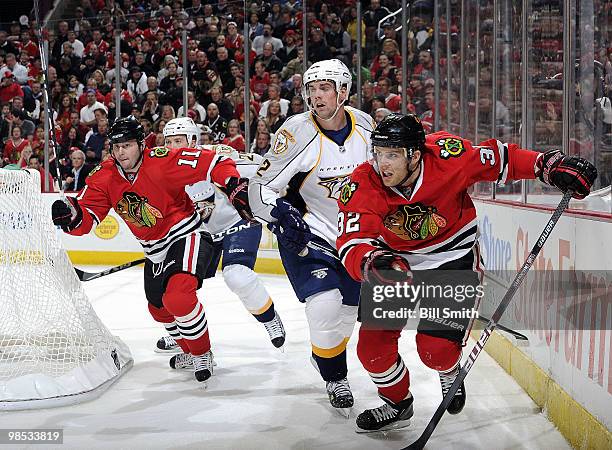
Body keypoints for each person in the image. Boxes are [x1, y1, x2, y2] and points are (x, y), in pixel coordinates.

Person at [335, 113, 598, 432]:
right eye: (378, 153)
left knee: (437, 352)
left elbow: (502, 159)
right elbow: (352, 239)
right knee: (372, 350)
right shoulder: (364, 180)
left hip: (451, 258)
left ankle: (448, 372)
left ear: (414, 154)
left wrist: (547, 165)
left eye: (392, 154)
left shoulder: (449, 156)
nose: (383, 163)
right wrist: (371, 261)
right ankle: (397, 404)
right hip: (392, 264)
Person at [51, 116, 253, 385]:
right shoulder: (104, 176)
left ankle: (203, 353)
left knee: (178, 298)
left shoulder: (162, 160)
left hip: (186, 234)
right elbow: (88, 218)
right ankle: (189, 351)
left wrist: (232, 185)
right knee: (158, 309)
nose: (121, 151)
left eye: (127, 145)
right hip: (154, 250)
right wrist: (71, 216)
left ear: (141, 144)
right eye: (116, 146)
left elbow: (214, 163)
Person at [248, 59, 374, 415]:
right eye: (311, 89)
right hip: (309, 231)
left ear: (344, 91)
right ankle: (336, 377)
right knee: (324, 305)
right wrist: (279, 214)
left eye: (324, 88)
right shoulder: (297, 132)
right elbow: (259, 186)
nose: (316, 96)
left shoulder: (364, 125)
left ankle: (325, 357)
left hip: (355, 236)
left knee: (348, 312)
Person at [155, 117, 286, 357]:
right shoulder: (161, 170)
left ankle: (269, 318)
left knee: (237, 275)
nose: (173, 147)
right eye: (169, 141)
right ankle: (184, 334)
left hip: (238, 222)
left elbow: (260, 166)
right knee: (175, 285)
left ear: (193, 140)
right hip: (201, 234)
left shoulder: (216, 156)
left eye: (179, 141)